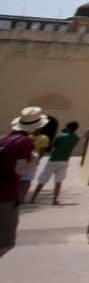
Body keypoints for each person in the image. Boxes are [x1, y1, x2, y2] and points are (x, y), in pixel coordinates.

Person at [2, 109, 43, 259]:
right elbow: (19, 170)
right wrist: (33, 160)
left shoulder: (5, 139)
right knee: (6, 242)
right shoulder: (25, 142)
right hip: (6, 194)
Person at [30, 121, 80, 205]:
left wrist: (63, 133)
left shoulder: (60, 136)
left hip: (54, 159)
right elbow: (76, 136)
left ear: (68, 128)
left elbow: (53, 145)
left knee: (43, 179)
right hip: (64, 160)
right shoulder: (76, 138)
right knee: (58, 180)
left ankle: (33, 198)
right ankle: (55, 199)